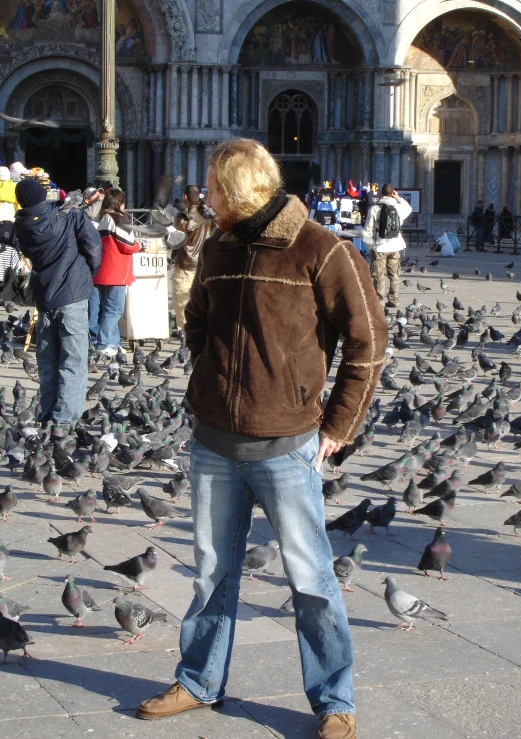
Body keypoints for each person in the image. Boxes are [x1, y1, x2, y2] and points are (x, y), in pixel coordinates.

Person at [136, 138, 388, 739]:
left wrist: (336, 427)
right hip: (214, 443)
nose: (207, 196)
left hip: (285, 446)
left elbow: (369, 341)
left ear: (240, 188)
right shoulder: (220, 244)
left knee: (312, 581)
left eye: (214, 187)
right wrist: (211, 371)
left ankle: (334, 702)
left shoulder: (322, 251)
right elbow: (196, 315)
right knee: (210, 574)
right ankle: (198, 680)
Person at [13, 178, 101, 426]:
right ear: (44, 195)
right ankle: (63, 422)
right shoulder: (70, 217)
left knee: (48, 360)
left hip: (45, 296)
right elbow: (93, 247)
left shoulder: (22, 226)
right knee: (73, 362)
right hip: (72, 293)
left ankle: (47, 414)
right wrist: (86, 273)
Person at [88, 189, 141, 356]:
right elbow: (127, 244)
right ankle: (103, 344)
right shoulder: (118, 218)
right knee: (114, 310)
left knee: (107, 309)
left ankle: (114, 343)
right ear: (121, 203)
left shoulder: (102, 218)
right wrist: (138, 245)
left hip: (102, 271)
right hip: (116, 272)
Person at [171, 185, 215, 331]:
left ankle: (185, 338)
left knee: (182, 306)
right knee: (202, 304)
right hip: (204, 267)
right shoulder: (208, 216)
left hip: (185, 266)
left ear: (185, 197)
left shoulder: (182, 217)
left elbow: (174, 240)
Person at [362, 183, 412, 308]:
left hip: (380, 246)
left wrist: (370, 247)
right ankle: (394, 300)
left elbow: (368, 231)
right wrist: (398, 198)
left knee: (378, 275)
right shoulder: (398, 207)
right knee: (394, 274)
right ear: (392, 193)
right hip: (396, 246)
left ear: (381, 194)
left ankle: (379, 301)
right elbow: (409, 208)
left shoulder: (374, 209)